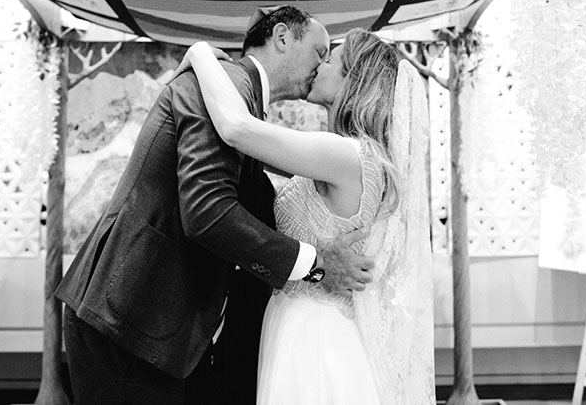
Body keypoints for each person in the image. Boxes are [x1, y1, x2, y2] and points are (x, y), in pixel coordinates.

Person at [55, 6, 375, 405]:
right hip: (131, 311)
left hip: (151, 317)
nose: (322, 64)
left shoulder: (239, 101)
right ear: (282, 37)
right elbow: (207, 211)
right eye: (319, 51)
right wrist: (316, 263)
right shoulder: (225, 87)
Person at [179, 28, 435, 404]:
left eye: (330, 58)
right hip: (300, 323)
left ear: (353, 79)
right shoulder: (350, 158)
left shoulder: (345, 156)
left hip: (316, 338)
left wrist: (200, 52)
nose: (319, 65)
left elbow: (236, 129)